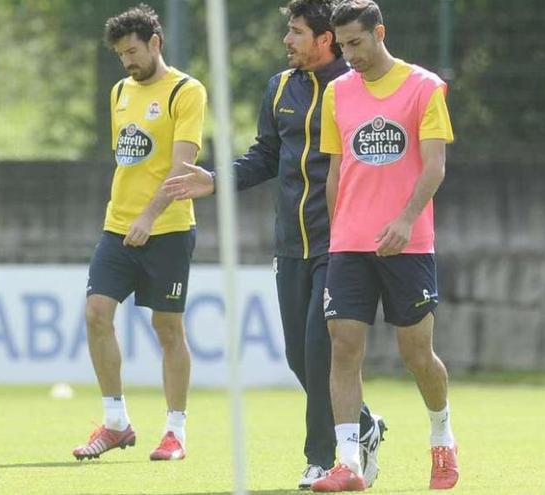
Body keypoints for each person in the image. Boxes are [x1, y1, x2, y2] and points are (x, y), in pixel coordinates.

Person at [163, 0, 385, 489]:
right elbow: (264, 157)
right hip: (290, 243)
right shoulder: (279, 87)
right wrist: (216, 180)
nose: (287, 40)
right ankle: (363, 423)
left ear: (324, 38)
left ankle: (321, 459)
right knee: (296, 356)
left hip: (341, 243)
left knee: (318, 351)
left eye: (296, 31)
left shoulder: (357, 89)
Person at [309, 0, 458, 491]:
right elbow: (335, 170)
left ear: (379, 33)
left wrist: (406, 219)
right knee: (343, 347)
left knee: (417, 353)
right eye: (342, 45)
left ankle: (442, 438)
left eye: (356, 42)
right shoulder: (337, 93)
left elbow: (434, 165)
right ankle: (349, 463)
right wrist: (338, 232)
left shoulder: (424, 87)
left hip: (407, 244)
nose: (349, 54)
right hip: (350, 244)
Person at [71, 4, 206, 462]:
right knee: (95, 314)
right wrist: (131, 217)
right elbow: (128, 161)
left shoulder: (186, 92)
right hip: (118, 227)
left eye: (132, 51)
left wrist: (149, 216)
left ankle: (175, 431)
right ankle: (115, 422)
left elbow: (181, 167)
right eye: (120, 54)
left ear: (156, 43)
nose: (127, 61)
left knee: (167, 327)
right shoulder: (119, 93)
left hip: (166, 228)